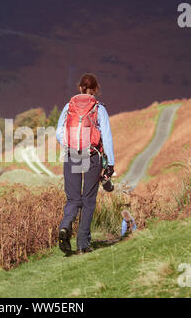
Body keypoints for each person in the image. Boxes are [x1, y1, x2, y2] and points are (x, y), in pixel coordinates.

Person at [55, 73, 115, 255]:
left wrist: (69, 146)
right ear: (96, 89)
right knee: (88, 200)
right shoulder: (99, 109)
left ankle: (65, 226)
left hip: (72, 155)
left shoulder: (69, 106)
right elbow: (107, 137)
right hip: (92, 157)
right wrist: (110, 163)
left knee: (73, 198)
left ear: (80, 88)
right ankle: (83, 244)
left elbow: (59, 132)